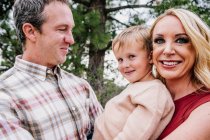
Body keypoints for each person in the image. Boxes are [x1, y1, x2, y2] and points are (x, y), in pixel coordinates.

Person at [0, 0, 103, 139]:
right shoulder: (4, 96)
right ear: (30, 32)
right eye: (62, 29)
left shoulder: (81, 86)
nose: (71, 40)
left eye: (71, 30)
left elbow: (107, 133)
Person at [93, 25, 175, 140]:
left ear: (150, 57)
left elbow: (134, 135)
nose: (125, 65)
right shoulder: (139, 86)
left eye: (131, 57)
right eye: (120, 60)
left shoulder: (154, 91)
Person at [150, 8, 210, 139]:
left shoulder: (206, 107)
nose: (167, 50)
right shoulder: (144, 94)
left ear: (197, 47)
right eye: (159, 41)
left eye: (181, 40)